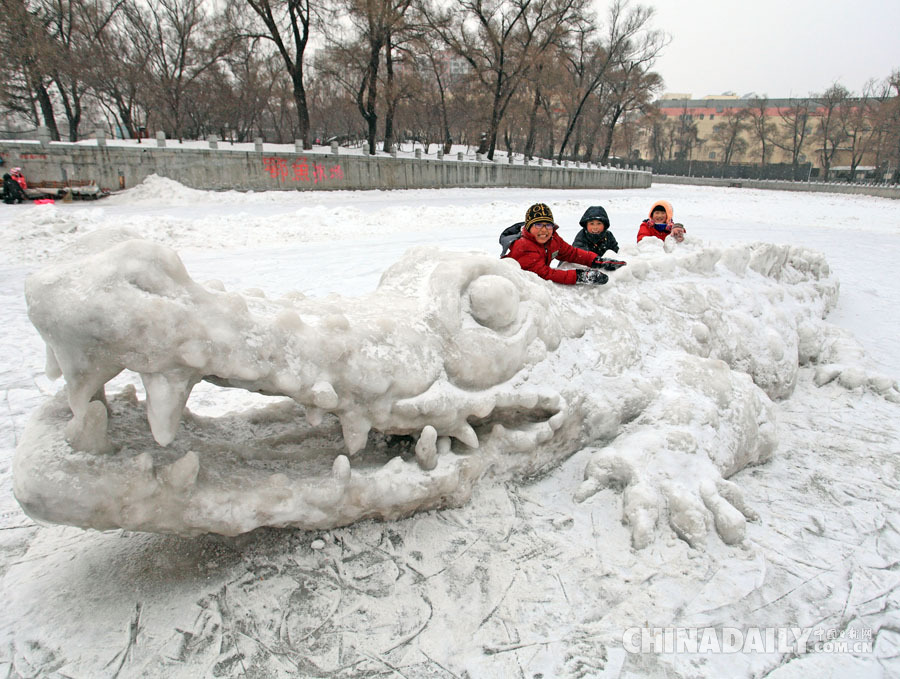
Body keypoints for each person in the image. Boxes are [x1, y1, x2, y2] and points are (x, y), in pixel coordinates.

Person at [504, 203, 624, 286]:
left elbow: (572, 253)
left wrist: (597, 261)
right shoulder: (524, 246)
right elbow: (545, 274)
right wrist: (580, 276)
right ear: (529, 227)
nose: (544, 230)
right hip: (515, 287)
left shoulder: (552, 239)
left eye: (548, 225)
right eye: (538, 225)